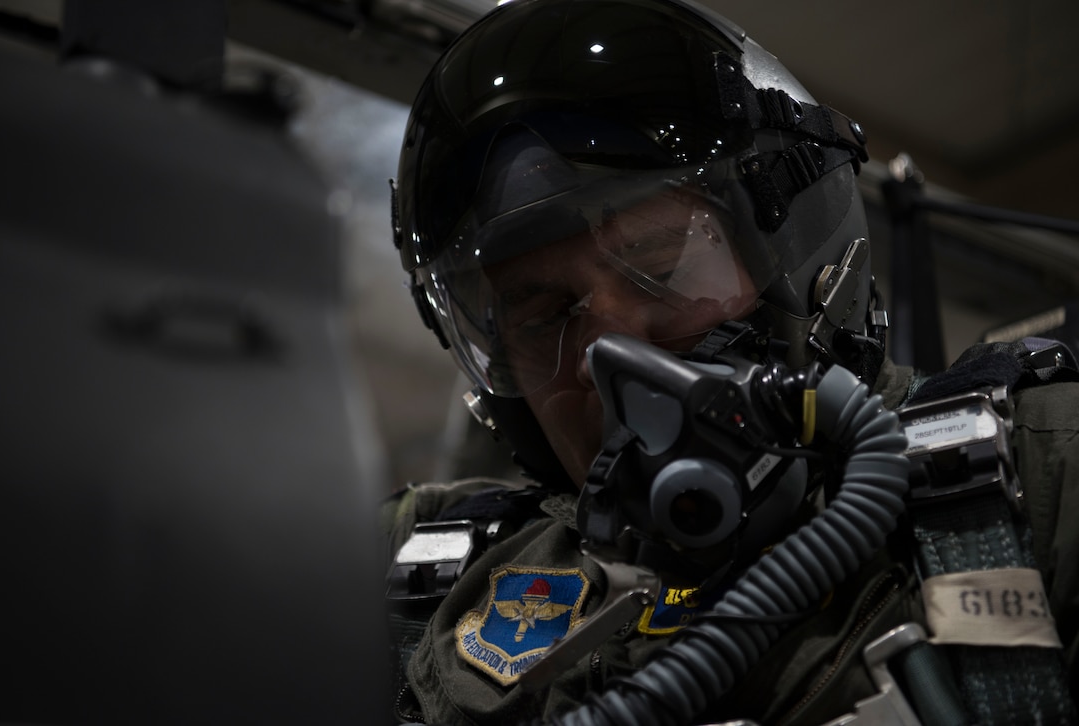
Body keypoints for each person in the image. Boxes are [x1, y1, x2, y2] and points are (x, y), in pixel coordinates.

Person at [382, 0, 1079, 723]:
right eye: (540, 316)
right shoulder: (433, 577)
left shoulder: (1036, 481)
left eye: (661, 263)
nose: (605, 355)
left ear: (799, 256)